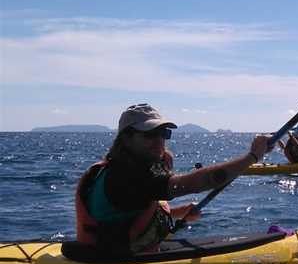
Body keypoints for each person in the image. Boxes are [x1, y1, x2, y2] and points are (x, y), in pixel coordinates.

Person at [75, 103, 272, 255]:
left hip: (114, 250)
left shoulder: (124, 167)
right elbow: (199, 182)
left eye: (163, 133)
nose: (159, 140)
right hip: (115, 261)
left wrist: (178, 212)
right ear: (126, 138)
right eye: (150, 134)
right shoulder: (126, 176)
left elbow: (126, 213)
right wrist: (252, 157)